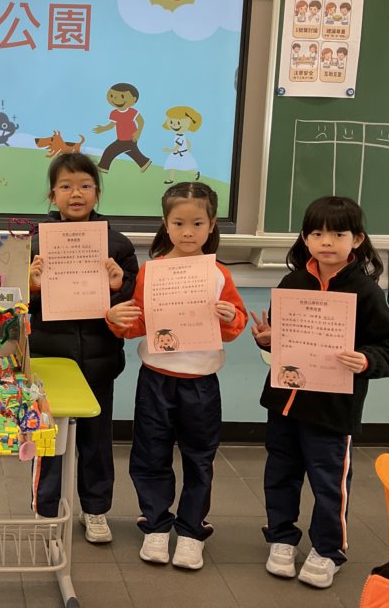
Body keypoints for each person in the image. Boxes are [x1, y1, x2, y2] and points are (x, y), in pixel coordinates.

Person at [250, 196, 389, 589]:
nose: (327, 241)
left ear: (357, 239)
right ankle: (282, 538)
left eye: (338, 234)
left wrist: (366, 359)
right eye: (317, 233)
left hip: (333, 409)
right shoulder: (292, 283)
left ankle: (328, 550)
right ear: (305, 238)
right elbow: (284, 344)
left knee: (329, 482)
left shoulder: (365, 291)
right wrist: (268, 340)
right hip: (285, 403)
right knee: (280, 474)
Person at [106, 182, 247, 570]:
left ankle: (190, 531)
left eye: (197, 223)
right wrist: (115, 318)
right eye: (179, 223)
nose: (188, 232)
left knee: (199, 458)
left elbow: (235, 326)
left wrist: (230, 317)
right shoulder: (152, 272)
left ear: (211, 225)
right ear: (165, 224)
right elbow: (137, 323)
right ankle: (155, 524)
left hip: (201, 382)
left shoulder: (218, 274)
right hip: (156, 378)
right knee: (150, 453)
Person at [27, 153, 139, 544]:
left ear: (97, 193)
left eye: (85, 186)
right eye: (66, 186)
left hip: (99, 361)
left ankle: (95, 510)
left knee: (96, 441)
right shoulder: (36, 243)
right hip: (49, 360)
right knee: (47, 439)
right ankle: (46, 511)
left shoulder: (117, 244)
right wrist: (31, 285)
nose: (76, 194)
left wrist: (117, 286)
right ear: (52, 195)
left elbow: (130, 300)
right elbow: (16, 303)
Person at [93, 82, 152, 174]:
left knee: (109, 151)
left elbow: (141, 122)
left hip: (129, 139)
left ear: (133, 99)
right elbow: (111, 125)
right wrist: (103, 128)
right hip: (121, 138)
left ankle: (103, 167)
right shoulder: (114, 113)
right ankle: (144, 162)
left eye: (122, 96)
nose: (115, 99)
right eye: (112, 96)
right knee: (132, 152)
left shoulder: (132, 112)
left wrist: (138, 133)